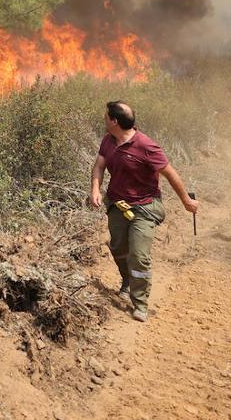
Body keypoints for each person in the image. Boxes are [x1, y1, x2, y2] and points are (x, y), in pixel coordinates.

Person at [87, 101, 199, 322]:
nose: (104, 119)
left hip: (144, 207)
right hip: (117, 205)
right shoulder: (108, 141)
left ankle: (140, 303)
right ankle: (127, 281)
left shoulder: (146, 146)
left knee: (139, 255)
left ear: (114, 121)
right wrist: (95, 190)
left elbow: (170, 174)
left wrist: (186, 200)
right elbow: (99, 165)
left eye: (106, 116)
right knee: (118, 247)